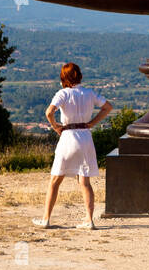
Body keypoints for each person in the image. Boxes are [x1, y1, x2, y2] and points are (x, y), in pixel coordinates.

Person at [34, 62, 112, 230]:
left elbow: (49, 112)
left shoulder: (63, 94)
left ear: (64, 78)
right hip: (85, 136)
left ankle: (46, 219)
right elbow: (108, 107)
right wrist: (92, 123)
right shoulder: (89, 93)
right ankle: (89, 220)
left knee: (55, 180)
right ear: (80, 76)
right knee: (85, 181)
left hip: (68, 136)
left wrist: (55, 126)